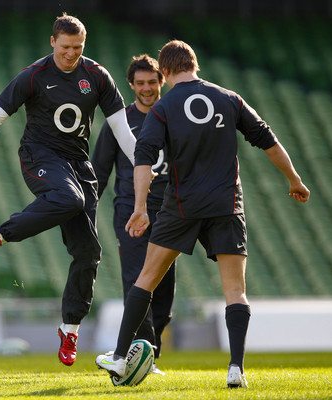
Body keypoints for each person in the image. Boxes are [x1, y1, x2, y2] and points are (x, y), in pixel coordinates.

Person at [95, 40, 310, 388]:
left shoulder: (163, 108)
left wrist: (139, 208)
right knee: (235, 290)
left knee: (146, 279)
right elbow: (268, 140)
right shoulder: (229, 98)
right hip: (227, 204)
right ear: (194, 65)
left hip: (182, 205)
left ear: (165, 71)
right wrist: (294, 179)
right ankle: (236, 368)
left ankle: (119, 358)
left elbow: (143, 160)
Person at [0, 13, 137, 367]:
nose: (71, 53)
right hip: (39, 156)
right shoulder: (34, 75)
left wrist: (145, 168)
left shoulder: (97, 76)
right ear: (52, 42)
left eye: (78, 47)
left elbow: (122, 130)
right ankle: (1, 235)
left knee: (89, 252)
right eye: (65, 47)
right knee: (70, 198)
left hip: (79, 164)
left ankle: (70, 329)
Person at [91, 54, 175, 375]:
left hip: (170, 211)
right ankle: (143, 353)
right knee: (136, 280)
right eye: (140, 83)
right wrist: (87, 211)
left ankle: (151, 353)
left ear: (161, 81)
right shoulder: (119, 123)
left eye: (152, 82)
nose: (146, 88)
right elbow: (99, 172)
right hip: (130, 211)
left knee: (164, 285)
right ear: (131, 85)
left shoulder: (175, 118)